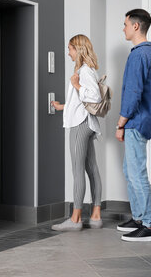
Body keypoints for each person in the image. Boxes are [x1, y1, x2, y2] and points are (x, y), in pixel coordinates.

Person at [115, 9, 151, 242]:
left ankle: (150, 225)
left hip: (136, 121)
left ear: (135, 26)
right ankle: (139, 217)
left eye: (125, 24)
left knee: (137, 173)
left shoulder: (138, 55)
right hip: (141, 120)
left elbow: (133, 93)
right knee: (129, 170)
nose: (122, 28)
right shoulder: (149, 53)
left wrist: (121, 122)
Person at [51, 34, 103, 232]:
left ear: (78, 49)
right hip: (88, 123)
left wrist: (76, 85)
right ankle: (96, 215)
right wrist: (62, 106)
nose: (68, 52)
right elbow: (82, 102)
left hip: (80, 125)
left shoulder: (84, 72)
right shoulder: (88, 70)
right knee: (91, 168)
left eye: (70, 49)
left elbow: (94, 98)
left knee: (77, 169)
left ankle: (75, 218)